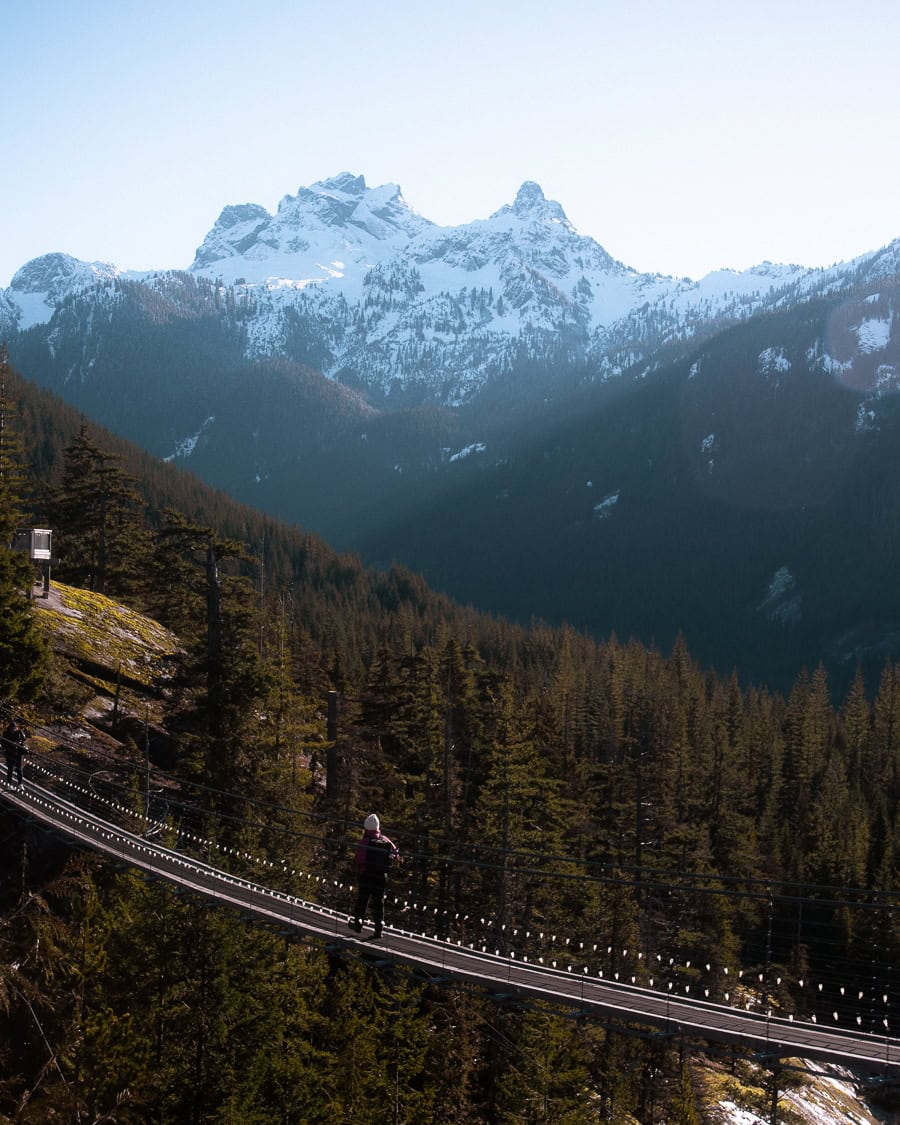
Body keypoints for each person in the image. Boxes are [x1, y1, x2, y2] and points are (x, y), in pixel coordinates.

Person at [348, 813, 398, 939]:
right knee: (378, 903)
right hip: (381, 877)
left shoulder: (365, 841)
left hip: (366, 875)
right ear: (378, 827)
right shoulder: (385, 840)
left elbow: (359, 859)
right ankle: (378, 930)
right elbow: (396, 854)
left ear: (366, 827)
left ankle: (358, 924)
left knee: (362, 900)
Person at [2, 717, 28, 785]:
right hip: (10, 753)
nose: (13, 729)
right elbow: (3, 744)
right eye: (12, 728)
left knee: (19, 769)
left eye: (14, 728)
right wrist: (11, 745)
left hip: (18, 753)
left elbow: (24, 740)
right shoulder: (6, 734)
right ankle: (9, 783)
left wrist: (20, 732)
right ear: (9, 728)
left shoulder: (18, 733)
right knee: (10, 768)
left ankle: (20, 783)